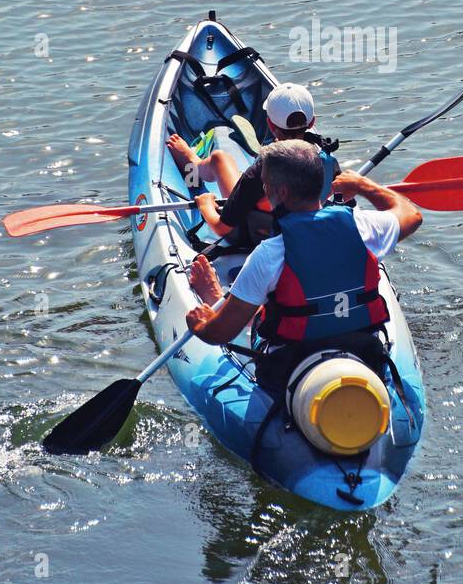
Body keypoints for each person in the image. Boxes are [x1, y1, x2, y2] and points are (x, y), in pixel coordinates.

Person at [184, 141, 421, 384]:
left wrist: (200, 325)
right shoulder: (365, 227)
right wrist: (364, 186)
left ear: (282, 192)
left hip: (292, 363)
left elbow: (220, 333)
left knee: (266, 304)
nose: (265, 188)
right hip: (363, 353)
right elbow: (411, 215)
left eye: (266, 184)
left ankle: (217, 299)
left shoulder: (269, 254)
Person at [166, 82, 338, 245]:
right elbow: (341, 195)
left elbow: (221, 228)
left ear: (270, 123)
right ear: (312, 122)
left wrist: (205, 205)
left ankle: (192, 162)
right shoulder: (327, 162)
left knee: (220, 159)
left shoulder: (260, 173)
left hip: (256, 234)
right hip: (304, 232)